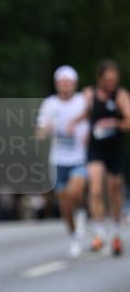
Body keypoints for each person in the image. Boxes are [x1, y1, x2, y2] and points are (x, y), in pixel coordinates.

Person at [71, 60, 130, 255]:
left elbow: (128, 121)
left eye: (114, 80)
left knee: (114, 188)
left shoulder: (121, 95)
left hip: (114, 149)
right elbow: (84, 114)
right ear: (100, 79)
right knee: (95, 188)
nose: (111, 83)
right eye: (108, 80)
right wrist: (74, 123)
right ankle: (99, 232)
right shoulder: (89, 94)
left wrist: (113, 122)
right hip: (95, 148)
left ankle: (115, 231)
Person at [36, 65, 89, 258]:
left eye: (68, 82)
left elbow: (93, 122)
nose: (65, 86)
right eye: (61, 82)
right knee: (65, 205)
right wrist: (46, 129)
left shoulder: (83, 102)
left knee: (74, 193)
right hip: (58, 161)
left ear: (74, 84)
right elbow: (39, 132)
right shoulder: (50, 104)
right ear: (57, 84)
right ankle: (74, 237)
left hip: (79, 158)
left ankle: (81, 212)